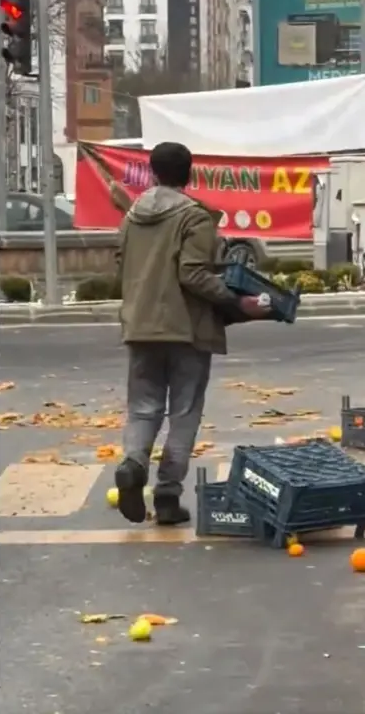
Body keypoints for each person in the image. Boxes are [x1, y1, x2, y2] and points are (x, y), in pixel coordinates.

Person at [111, 141, 268, 527]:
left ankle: (133, 464)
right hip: (186, 329)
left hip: (141, 326)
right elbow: (193, 274)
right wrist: (237, 301)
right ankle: (167, 496)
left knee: (143, 407)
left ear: (152, 173)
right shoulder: (194, 217)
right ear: (190, 174)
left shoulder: (132, 216)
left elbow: (121, 264)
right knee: (184, 412)